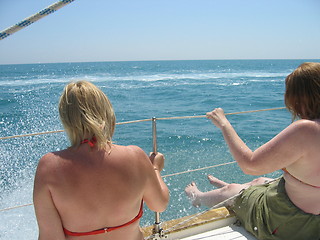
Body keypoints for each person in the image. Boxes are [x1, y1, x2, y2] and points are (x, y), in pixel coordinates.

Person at [185, 62, 320, 240]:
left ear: (299, 98)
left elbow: (250, 165)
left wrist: (224, 124)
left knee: (235, 190)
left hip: (289, 223)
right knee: (261, 180)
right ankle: (227, 187)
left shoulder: (307, 130)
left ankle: (198, 197)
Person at [33, 81, 169, 240]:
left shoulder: (49, 166)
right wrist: (154, 169)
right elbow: (159, 204)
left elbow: (51, 237)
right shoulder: (135, 156)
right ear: (106, 113)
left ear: (66, 119)